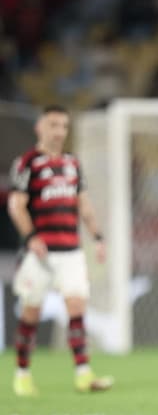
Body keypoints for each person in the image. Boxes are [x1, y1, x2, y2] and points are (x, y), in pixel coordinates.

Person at [7, 104, 113, 396]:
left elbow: (84, 204)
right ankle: (23, 374)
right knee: (31, 312)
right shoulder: (28, 162)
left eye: (64, 126)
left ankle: (83, 373)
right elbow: (16, 204)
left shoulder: (72, 164)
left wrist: (98, 237)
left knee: (77, 307)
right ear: (40, 127)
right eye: (53, 125)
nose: (59, 131)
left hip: (71, 250)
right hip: (40, 252)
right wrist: (31, 237)